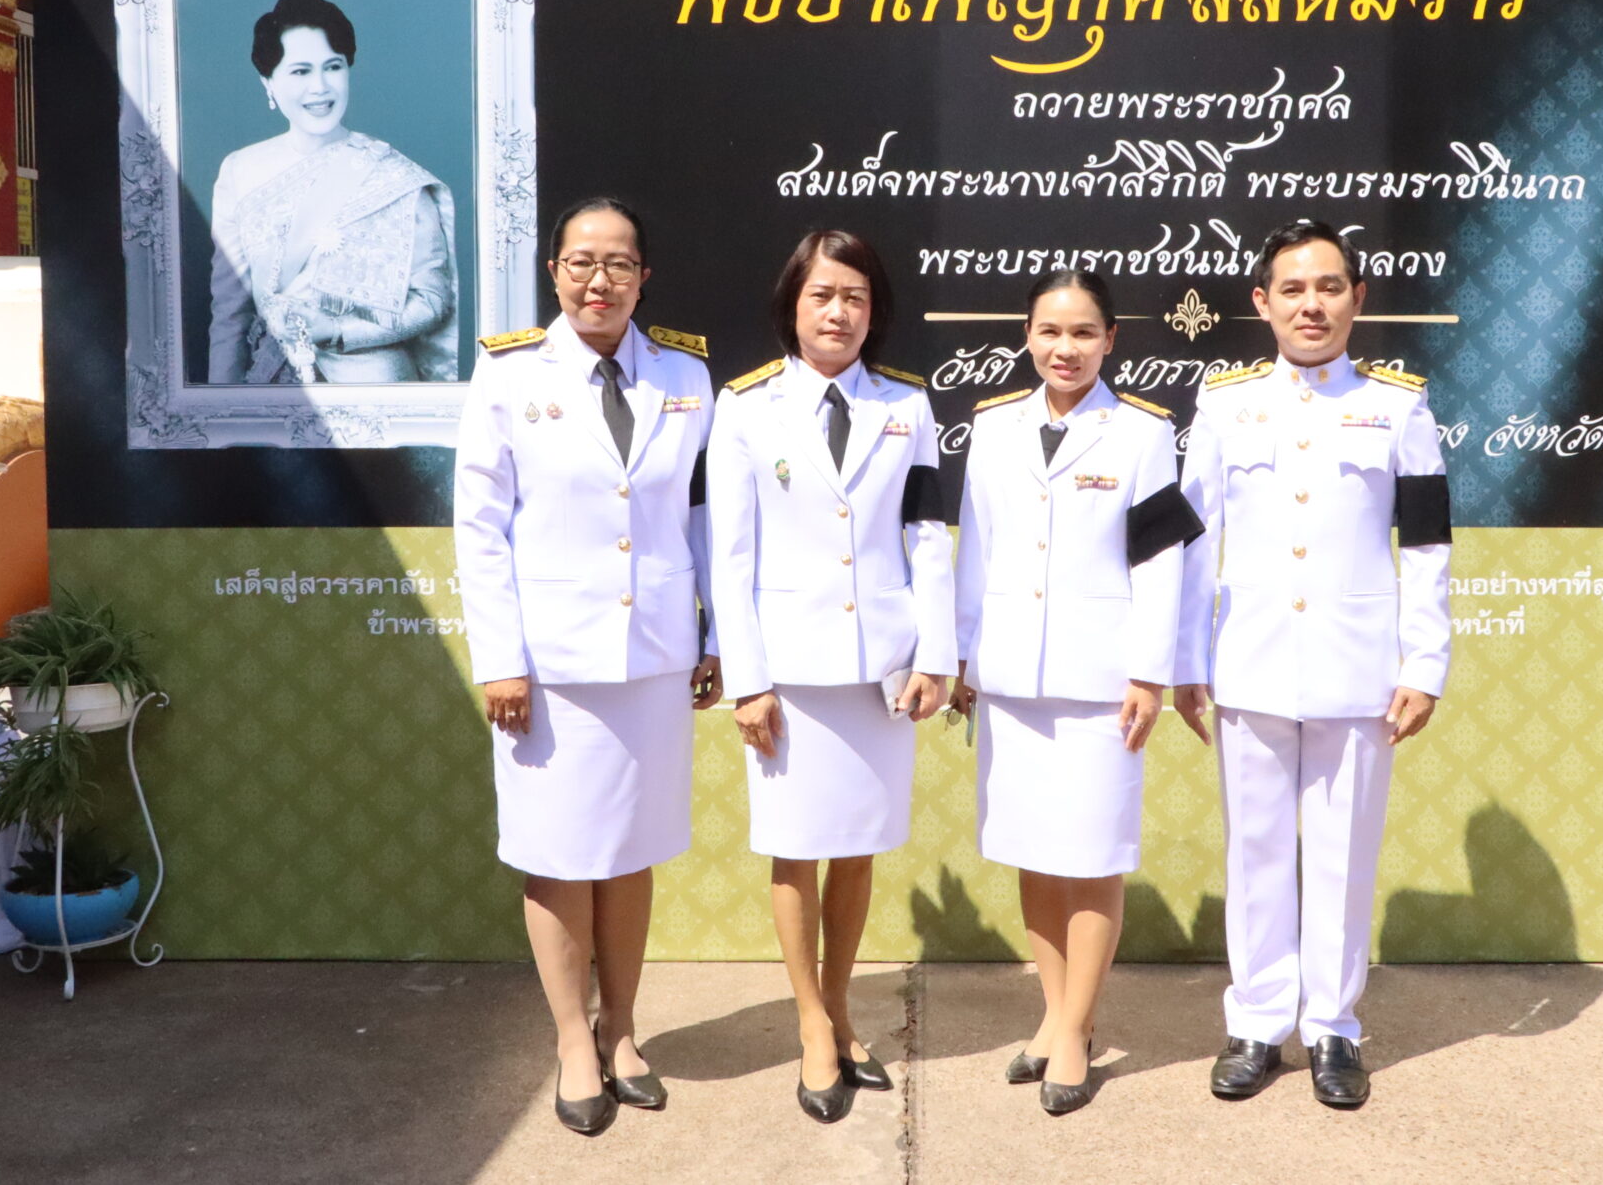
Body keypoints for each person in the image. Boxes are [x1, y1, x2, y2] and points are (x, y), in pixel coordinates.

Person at [452, 197, 723, 1137]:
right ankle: (573, 1039)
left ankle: (624, 1031)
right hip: (549, 666)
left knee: (630, 853)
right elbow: (479, 527)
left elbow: (704, 520)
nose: (598, 280)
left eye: (617, 264)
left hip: (650, 657)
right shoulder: (507, 372)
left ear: (644, 276)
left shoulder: (686, 373)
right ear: (555, 273)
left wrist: (717, 635)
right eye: (580, 263)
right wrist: (500, 660)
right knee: (559, 858)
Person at [1174, 219, 1452, 1111]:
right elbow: (1190, 541)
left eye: (1330, 286)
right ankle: (1256, 1021)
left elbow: (1430, 545)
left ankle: (1334, 1027)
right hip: (1248, 662)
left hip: (1358, 669)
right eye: (1292, 288)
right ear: (1262, 303)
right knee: (1256, 851)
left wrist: (1426, 660)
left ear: (1358, 299)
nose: (1312, 304)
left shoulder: (1401, 408)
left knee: (1342, 855)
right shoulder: (1224, 407)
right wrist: (1182, 658)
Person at [708, 228, 955, 1124]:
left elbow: (927, 535)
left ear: (872, 310)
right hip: (791, 669)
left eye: (854, 296)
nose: (838, 311)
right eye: (822, 295)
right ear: (793, 304)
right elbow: (728, 555)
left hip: (881, 665)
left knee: (858, 846)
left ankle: (842, 1007)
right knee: (796, 846)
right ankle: (813, 1025)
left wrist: (938, 652)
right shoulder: (745, 407)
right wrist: (748, 678)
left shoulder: (908, 406)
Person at [948, 269, 1204, 1116]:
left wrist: (1148, 671)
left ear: (1111, 340)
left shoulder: (1141, 434)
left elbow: (1163, 561)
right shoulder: (991, 427)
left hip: (1103, 681)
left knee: (1091, 857)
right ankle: (1058, 1017)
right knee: (1034, 852)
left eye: (1084, 333)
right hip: (1011, 675)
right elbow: (976, 550)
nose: (1066, 348)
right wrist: (961, 656)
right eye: (1051, 332)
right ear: (1027, 335)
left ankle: (1077, 1027)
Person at [208, 0, 457, 385]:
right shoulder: (240, 170)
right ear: (268, 82)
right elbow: (229, 312)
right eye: (300, 71)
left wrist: (340, 333)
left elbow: (432, 300)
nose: (320, 87)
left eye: (334, 67)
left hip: (377, 389)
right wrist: (218, 412)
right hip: (273, 384)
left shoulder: (392, 174)